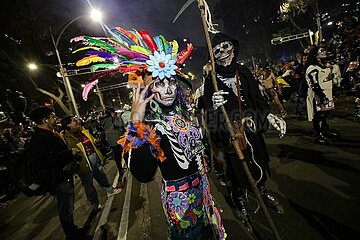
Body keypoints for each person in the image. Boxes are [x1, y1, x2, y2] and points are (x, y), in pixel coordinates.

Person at [73, 27, 227, 239]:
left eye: (171, 81)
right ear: (147, 91)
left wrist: (214, 110)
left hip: (204, 192)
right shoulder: (150, 127)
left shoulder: (181, 115)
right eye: (159, 84)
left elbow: (203, 147)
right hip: (181, 203)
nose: (169, 89)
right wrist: (136, 123)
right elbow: (143, 174)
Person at [201, 33, 286, 222]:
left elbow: (257, 98)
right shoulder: (211, 80)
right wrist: (214, 106)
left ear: (233, 48)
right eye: (217, 50)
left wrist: (269, 116)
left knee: (259, 161)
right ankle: (238, 197)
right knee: (236, 169)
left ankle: (261, 190)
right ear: (212, 56)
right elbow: (208, 113)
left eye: (226, 47)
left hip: (252, 129)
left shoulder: (244, 71)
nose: (222, 53)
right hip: (232, 134)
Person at [28, 107, 89, 240]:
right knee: (65, 211)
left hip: (64, 176)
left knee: (68, 208)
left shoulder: (51, 132)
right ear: (45, 120)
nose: (56, 119)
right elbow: (40, 162)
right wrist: (68, 153)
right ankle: (73, 236)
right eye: (53, 117)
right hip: (58, 180)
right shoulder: (40, 138)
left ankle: (73, 232)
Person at [61, 116, 122, 212]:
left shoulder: (83, 130)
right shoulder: (66, 138)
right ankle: (95, 203)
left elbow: (91, 140)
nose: (77, 121)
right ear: (68, 125)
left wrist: (95, 141)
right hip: (83, 163)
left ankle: (109, 190)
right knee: (88, 184)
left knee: (101, 175)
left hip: (94, 157)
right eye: (74, 121)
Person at [305, 44, 339, 145]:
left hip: (327, 92)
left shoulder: (322, 66)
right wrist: (322, 96)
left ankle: (324, 130)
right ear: (315, 55)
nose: (324, 52)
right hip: (318, 94)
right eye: (321, 51)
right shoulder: (312, 68)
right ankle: (317, 134)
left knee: (325, 114)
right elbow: (315, 85)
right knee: (319, 115)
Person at [100, 107, 126, 188]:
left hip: (110, 141)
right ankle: (128, 165)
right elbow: (120, 125)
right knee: (124, 152)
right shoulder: (113, 119)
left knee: (117, 155)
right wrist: (118, 117)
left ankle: (120, 168)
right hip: (117, 139)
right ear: (111, 112)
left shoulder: (103, 121)